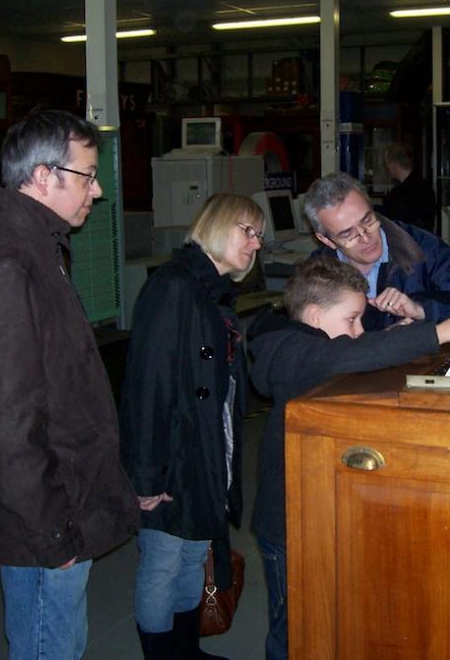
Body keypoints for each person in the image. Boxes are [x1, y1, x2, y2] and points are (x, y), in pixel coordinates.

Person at [0, 109, 139, 660]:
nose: (99, 190)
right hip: (45, 517)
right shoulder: (7, 263)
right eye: (88, 175)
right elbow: (4, 421)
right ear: (44, 177)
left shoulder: (37, 246)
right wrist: (52, 534)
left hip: (59, 502)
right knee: (49, 646)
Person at [248, 255, 450, 660]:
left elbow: (351, 354)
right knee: (292, 627)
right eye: (352, 320)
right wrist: (437, 332)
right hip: (286, 524)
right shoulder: (286, 350)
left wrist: (394, 339)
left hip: (316, 512)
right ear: (315, 315)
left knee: (321, 618)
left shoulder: (315, 340)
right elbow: (334, 358)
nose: (359, 332)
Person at [119, 193, 262, 660]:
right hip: (175, 454)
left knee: (188, 557)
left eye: (259, 235)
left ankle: (185, 650)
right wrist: (147, 475)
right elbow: (148, 385)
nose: (255, 244)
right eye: (247, 230)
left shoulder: (211, 291)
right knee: (162, 561)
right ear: (217, 226)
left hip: (205, 451)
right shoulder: (174, 287)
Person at [304, 171, 450, 332]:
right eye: (348, 235)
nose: (366, 237)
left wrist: (421, 308)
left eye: (367, 221)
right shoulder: (317, 274)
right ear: (326, 240)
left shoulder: (420, 247)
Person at [381, 142, 437, 233]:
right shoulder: (425, 187)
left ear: (394, 164)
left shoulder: (397, 194)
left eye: (387, 163)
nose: (387, 167)